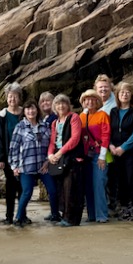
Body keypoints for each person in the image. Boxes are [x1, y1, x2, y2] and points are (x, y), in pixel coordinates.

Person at [8, 100, 58, 227]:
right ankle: (19, 217)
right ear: (24, 111)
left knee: (52, 190)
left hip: (43, 166)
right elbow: (13, 147)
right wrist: (14, 166)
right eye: (28, 109)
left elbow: (51, 145)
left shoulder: (45, 126)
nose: (31, 111)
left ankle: (55, 214)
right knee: (27, 192)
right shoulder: (20, 127)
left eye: (33, 108)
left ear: (37, 110)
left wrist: (48, 161)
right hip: (26, 166)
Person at [108, 81, 133, 221]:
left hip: (132, 152)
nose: (125, 95)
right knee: (121, 180)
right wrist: (111, 145)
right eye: (122, 92)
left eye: (127, 92)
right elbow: (109, 131)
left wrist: (124, 147)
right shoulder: (113, 111)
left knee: (132, 179)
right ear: (117, 95)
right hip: (116, 151)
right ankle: (124, 207)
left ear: (131, 95)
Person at [47, 94, 85, 226]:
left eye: (63, 103)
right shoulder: (55, 122)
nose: (61, 106)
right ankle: (65, 216)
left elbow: (75, 138)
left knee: (71, 188)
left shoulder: (74, 117)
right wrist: (50, 155)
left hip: (72, 158)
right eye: (58, 104)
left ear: (68, 105)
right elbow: (52, 141)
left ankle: (71, 219)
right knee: (61, 189)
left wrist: (59, 153)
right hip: (60, 158)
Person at [79, 89, 111, 223]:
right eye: (87, 99)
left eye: (93, 99)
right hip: (86, 155)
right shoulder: (81, 117)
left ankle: (101, 215)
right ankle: (91, 215)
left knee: (99, 183)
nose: (90, 102)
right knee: (88, 185)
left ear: (97, 101)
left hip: (99, 154)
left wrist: (102, 157)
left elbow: (106, 135)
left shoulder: (103, 115)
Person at [0, 82, 26, 224]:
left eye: (15, 96)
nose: (12, 99)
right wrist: (0, 158)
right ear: (6, 98)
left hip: (24, 156)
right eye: (9, 96)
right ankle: (9, 216)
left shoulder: (25, 113)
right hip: (9, 157)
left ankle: (22, 215)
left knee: (23, 187)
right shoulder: (1, 115)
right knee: (11, 186)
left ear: (19, 97)